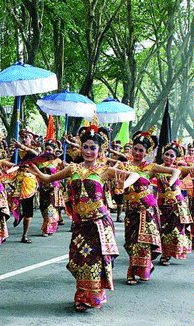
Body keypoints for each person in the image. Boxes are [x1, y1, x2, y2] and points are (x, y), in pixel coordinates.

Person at [27, 124, 139, 312]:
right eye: (85, 147)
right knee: (80, 259)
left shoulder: (106, 170)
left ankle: (90, 298)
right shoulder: (73, 169)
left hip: (98, 223)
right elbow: (48, 180)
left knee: (94, 260)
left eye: (92, 148)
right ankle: (85, 294)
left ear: (99, 150)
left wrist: (124, 184)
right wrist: (37, 173)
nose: (88, 151)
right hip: (80, 224)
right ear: (80, 147)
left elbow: (134, 175)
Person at [117, 128, 180, 285]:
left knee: (144, 241)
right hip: (131, 209)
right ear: (132, 148)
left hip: (147, 208)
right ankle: (142, 266)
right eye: (135, 149)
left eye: (141, 150)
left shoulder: (150, 167)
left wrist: (170, 184)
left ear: (146, 152)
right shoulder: (122, 166)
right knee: (131, 241)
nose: (138, 153)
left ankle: (133, 271)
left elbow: (176, 171)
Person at [156, 141, 193, 265]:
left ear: (176, 158)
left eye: (172, 156)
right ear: (162, 155)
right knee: (162, 229)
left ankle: (167, 255)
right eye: (167, 154)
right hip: (161, 204)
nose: (168, 157)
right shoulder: (157, 168)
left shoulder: (179, 169)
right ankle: (163, 252)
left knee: (174, 230)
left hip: (176, 203)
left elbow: (192, 168)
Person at [10, 129, 39, 243]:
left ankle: (25, 234)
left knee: (28, 207)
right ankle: (18, 214)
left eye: (27, 137)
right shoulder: (17, 151)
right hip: (17, 179)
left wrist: (22, 146)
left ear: (31, 138)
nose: (24, 139)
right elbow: (13, 163)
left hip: (28, 180)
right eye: (23, 137)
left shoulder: (34, 150)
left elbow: (36, 155)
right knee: (10, 200)